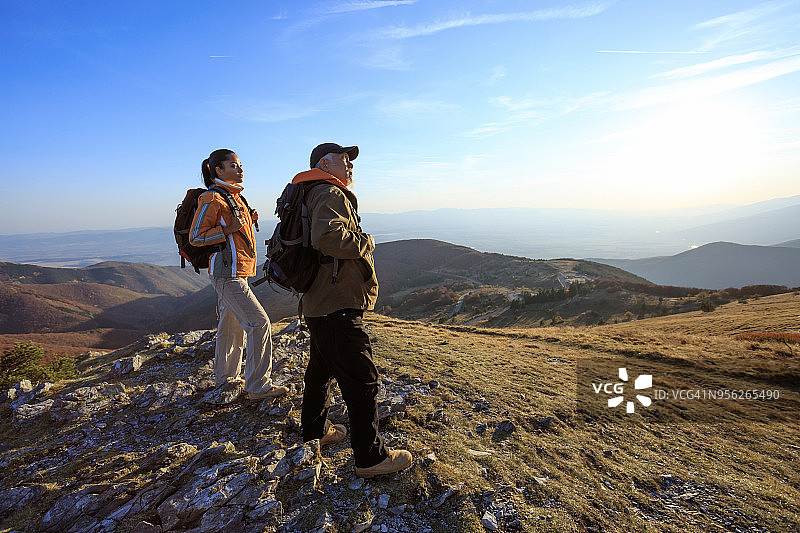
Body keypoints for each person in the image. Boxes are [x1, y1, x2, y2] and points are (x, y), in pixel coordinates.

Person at [293, 142, 412, 478]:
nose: (350, 166)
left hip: (320, 300)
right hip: (337, 303)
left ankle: (314, 434)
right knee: (363, 380)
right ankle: (370, 458)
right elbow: (327, 239)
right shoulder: (329, 193)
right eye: (344, 160)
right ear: (324, 164)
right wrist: (366, 241)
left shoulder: (308, 191)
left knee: (319, 371)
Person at [189, 149, 288, 399]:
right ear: (218, 170)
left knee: (231, 325)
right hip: (227, 273)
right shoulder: (213, 198)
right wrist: (228, 230)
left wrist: (243, 221)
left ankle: (226, 379)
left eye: (240, 165)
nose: (240, 169)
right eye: (233, 166)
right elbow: (196, 236)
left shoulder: (234, 197)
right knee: (258, 322)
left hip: (237, 271)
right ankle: (258, 386)